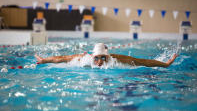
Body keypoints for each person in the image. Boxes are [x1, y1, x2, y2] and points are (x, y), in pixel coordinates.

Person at [35, 43, 178, 68]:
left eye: (102, 58)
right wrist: (44, 61)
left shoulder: (117, 60)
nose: (99, 62)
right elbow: (61, 58)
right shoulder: (84, 59)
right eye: (96, 58)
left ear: (107, 57)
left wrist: (165, 64)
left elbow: (143, 62)